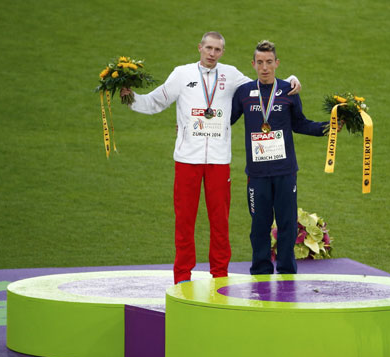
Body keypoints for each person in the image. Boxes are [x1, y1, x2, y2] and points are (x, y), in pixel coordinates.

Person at [120, 32, 301, 284]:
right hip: (186, 160)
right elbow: (157, 101)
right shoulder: (182, 74)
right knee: (184, 221)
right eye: (208, 48)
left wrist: (291, 80)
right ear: (200, 48)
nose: (212, 53)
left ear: (222, 52)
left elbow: (264, 86)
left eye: (217, 49)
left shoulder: (231, 75)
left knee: (219, 222)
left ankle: (219, 275)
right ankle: (182, 276)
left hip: (218, 161)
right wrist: (131, 99)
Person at [231, 40, 333, 275]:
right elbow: (225, 122)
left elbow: (300, 123)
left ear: (277, 63)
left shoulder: (288, 90)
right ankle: (260, 270)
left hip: (285, 172)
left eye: (269, 62)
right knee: (259, 225)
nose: (264, 67)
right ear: (253, 64)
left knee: (287, 224)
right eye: (260, 63)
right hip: (257, 175)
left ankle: (287, 270)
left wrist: (330, 127)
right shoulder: (245, 93)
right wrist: (192, 126)